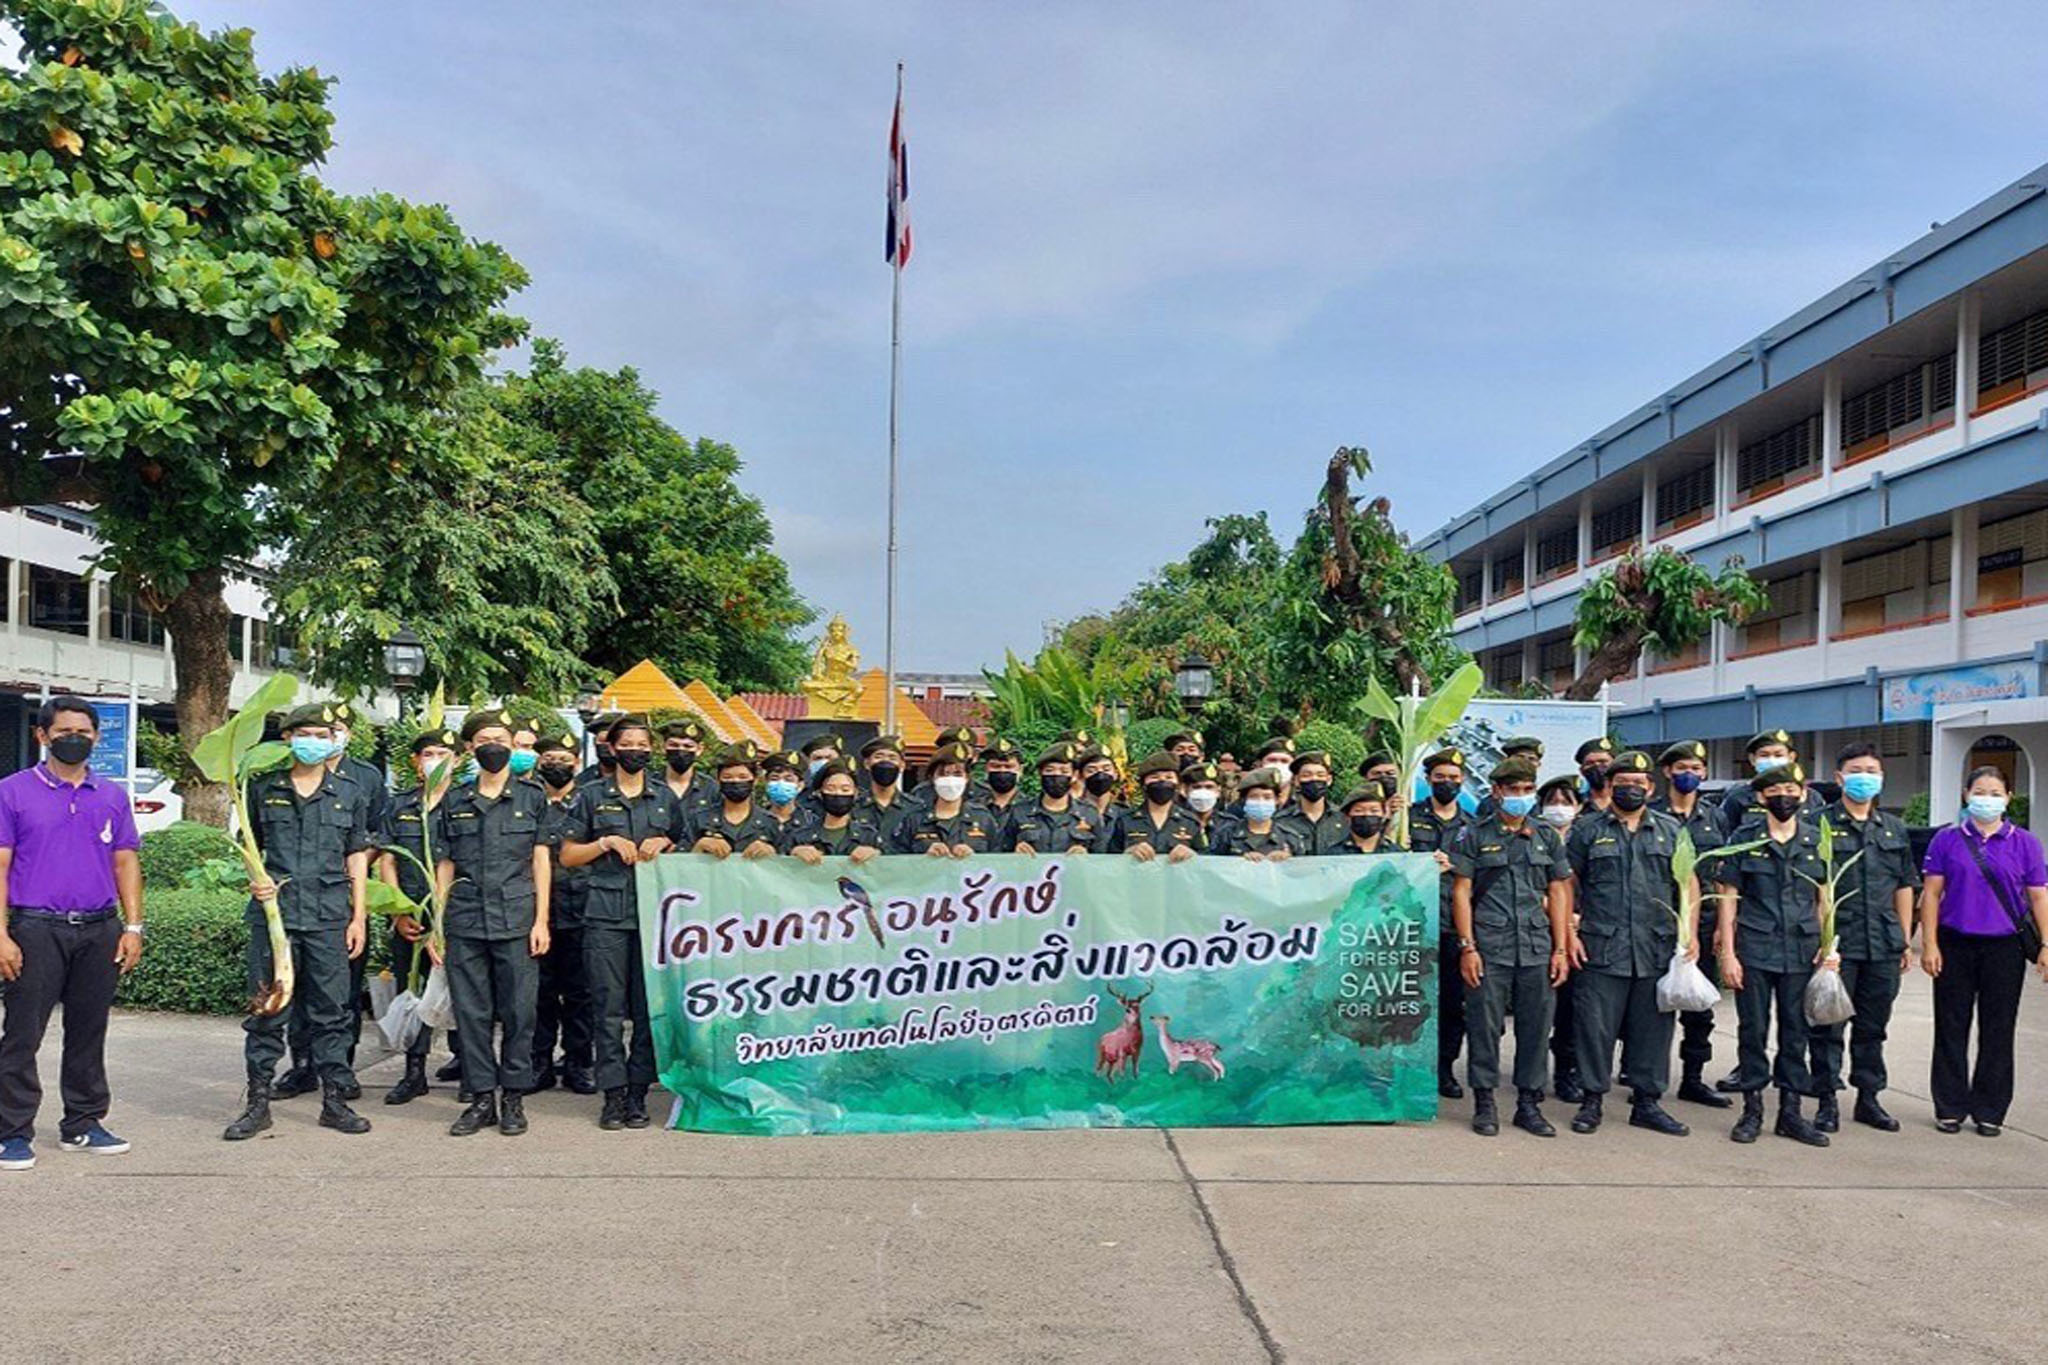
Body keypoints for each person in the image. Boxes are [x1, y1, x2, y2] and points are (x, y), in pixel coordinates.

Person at [0, 698, 145, 1172]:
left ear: (96, 737)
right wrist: (2, 936)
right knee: (23, 1034)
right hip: (35, 927)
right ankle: (12, 1131)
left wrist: (133, 926)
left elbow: (125, 861)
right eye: (63, 730)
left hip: (99, 928)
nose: (74, 737)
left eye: (83, 730)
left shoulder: (111, 795)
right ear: (42, 736)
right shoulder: (12, 792)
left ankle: (83, 1122)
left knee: (89, 1031)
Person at [224, 703, 375, 1142]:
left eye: (322, 734)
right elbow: (248, 845)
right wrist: (256, 881)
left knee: (332, 1012)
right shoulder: (262, 786)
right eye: (304, 732)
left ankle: (335, 1102)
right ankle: (257, 1104)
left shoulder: (348, 792)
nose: (313, 741)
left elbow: (356, 858)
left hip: (329, 916)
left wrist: (358, 916)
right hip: (275, 917)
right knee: (267, 1009)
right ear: (287, 738)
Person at [435, 710, 552, 1138]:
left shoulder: (531, 796)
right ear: (470, 747)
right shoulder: (455, 799)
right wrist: (437, 925)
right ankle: (481, 1098)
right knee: (472, 1014)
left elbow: (540, 861)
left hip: (518, 919)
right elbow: (444, 865)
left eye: (502, 739)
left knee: (520, 1013)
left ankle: (514, 1098)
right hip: (465, 919)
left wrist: (542, 920)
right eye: (484, 738)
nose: (494, 746)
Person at [559, 715, 678, 1131]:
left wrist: (665, 842)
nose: (634, 750)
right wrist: (604, 842)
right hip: (605, 916)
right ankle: (611, 1094)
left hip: (655, 917)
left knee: (648, 1011)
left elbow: (687, 852)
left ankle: (637, 1093)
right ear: (611, 748)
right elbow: (568, 855)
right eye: (626, 743)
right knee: (607, 1009)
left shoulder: (664, 798)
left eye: (642, 743)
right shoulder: (590, 796)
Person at [1564, 751, 1691, 1137]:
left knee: (1653, 1029)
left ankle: (1647, 1103)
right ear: (1610, 785)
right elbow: (1568, 881)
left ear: (1651, 787)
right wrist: (1568, 932)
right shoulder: (1587, 829)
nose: (1631, 789)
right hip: (1602, 945)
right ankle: (1592, 1101)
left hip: (1655, 946)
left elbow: (1687, 883)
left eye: (1638, 783)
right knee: (1594, 1027)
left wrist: (1687, 936)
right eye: (1623, 783)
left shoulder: (1671, 830)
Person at [1919, 767, 2048, 1136]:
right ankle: (1950, 1106)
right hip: (1955, 943)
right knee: (1951, 1026)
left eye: (1995, 792)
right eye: (1979, 790)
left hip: (2004, 947)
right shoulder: (1946, 840)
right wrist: (1929, 944)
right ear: (1966, 794)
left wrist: (2046, 945)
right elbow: (1930, 894)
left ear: (2008, 797)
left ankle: (1990, 1109)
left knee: (1998, 1029)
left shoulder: (2025, 843)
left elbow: (2039, 896)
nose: (1986, 798)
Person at [1448, 757, 1571, 1138]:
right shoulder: (1473, 835)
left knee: (1536, 1027)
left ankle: (1528, 1105)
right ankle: (1485, 1102)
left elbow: (1558, 891)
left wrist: (1561, 948)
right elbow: (1461, 892)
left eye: (1527, 790)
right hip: (1490, 945)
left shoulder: (1546, 835)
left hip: (1536, 945)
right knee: (1483, 1025)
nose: (1520, 797)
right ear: (1497, 791)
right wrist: (1468, 947)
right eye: (1513, 790)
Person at [1805, 742, 1920, 1133]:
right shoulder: (1818, 824)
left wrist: (1904, 938)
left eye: (1872, 770)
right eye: (1857, 770)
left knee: (1873, 1027)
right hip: (1838, 944)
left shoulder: (1893, 827)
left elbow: (1905, 885)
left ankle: (1869, 1098)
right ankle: (1826, 1100)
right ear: (1839, 778)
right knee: (1828, 1026)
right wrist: (1822, 942)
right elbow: (1816, 887)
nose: (1864, 777)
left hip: (1882, 942)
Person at [1714, 764, 1830, 1147]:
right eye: (1776, 790)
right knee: (1754, 1030)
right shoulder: (1745, 838)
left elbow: (1824, 899)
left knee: (1796, 1033)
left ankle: (1791, 1113)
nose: (1784, 796)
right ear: (1762, 797)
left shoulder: (1817, 840)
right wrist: (1728, 954)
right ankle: (1752, 1110)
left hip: (1802, 948)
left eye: (1791, 789)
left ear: (1803, 793)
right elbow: (1728, 900)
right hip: (1756, 948)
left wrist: (1830, 948)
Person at [377, 726, 461, 1108]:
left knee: (461, 993)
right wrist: (398, 911)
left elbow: (455, 865)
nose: (435, 761)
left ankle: (470, 1066)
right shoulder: (400, 805)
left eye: (444, 754)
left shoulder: (465, 803)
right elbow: (387, 859)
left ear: (457, 761)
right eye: (428, 754)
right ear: (416, 761)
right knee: (412, 990)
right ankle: (414, 1072)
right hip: (408, 917)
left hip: (456, 918)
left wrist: (440, 925)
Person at [1650, 740, 1732, 1107]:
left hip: (1704, 924)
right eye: (1682, 767)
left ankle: (1694, 1078)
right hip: (1657, 923)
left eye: (1697, 768)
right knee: (1653, 1006)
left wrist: (1720, 929)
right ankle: (1646, 1078)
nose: (1690, 774)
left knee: (1700, 1008)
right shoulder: (1652, 814)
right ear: (1667, 771)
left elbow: (1720, 874)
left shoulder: (1715, 817)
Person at [531, 729, 594, 1094]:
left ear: (577, 763)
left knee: (580, 993)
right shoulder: (530, 800)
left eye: (564, 760)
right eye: (549, 760)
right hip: (538, 910)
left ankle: (578, 1063)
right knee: (538, 993)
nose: (557, 766)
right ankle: (538, 1063)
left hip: (582, 907)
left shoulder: (588, 801)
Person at [1408, 745, 1473, 1099]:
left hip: (1451, 924)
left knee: (1451, 1003)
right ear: (1428, 781)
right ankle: (1409, 1065)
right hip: (1412, 926)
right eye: (1439, 778)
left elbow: (1482, 875)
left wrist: (1457, 867)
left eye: (1453, 778)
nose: (1446, 783)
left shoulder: (1472, 827)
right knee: (1410, 1001)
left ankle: (1445, 1068)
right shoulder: (1409, 818)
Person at [889, 743, 998, 856]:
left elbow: (999, 859)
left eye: (957, 774)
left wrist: (973, 858)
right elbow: (897, 859)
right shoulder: (914, 818)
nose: (950, 780)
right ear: (932, 778)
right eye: (943, 774)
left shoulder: (982, 818)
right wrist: (924, 857)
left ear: (967, 778)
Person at [1006, 743, 1111, 855]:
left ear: (1074, 775)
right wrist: (1015, 852)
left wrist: (1086, 856)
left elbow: (1102, 858)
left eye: (1064, 771)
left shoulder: (1090, 813)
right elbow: (1000, 854)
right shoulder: (1020, 811)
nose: (1056, 776)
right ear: (1040, 774)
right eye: (1050, 770)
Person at [684, 746, 782, 860]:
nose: (735, 781)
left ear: (755, 780)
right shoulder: (700, 818)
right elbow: (675, 863)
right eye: (727, 777)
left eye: (743, 777)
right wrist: (699, 846)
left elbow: (785, 866)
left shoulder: (769, 822)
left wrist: (771, 851)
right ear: (718, 780)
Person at [1717, 729, 1824, 831]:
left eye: (1778, 755)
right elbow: (1726, 834)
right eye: (1764, 755)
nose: (1772, 760)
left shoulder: (1812, 798)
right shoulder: (1737, 797)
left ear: (1791, 757)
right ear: (1753, 759)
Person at [787, 761, 885, 862]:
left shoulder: (869, 836)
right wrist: (794, 852)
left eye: (845, 789)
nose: (838, 793)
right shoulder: (801, 836)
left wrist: (875, 854)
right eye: (830, 788)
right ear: (820, 793)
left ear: (855, 793)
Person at [1122, 753, 1207, 861]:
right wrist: (1128, 852)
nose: (1162, 781)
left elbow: (1205, 860)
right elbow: (1108, 858)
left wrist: (1191, 854)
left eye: (1169, 777)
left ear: (1178, 785)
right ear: (1143, 784)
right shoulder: (1124, 820)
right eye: (1155, 777)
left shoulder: (1190, 821)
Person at [1209, 769, 1304, 859]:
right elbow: (1213, 868)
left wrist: (1288, 860)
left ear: (1276, 800)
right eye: (1254, 797)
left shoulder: (1290, 836)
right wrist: (1240, 861)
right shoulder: (1226, 834)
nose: (1261, 801)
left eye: (1267, 797)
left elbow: (1303, 871)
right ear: (1244, 800)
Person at [1278, 751, 1347, 855]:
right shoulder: (1281, 821)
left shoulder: (1343, 818)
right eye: (1306, 775)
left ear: (1329, 780)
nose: (1314, 779)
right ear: (1296, 780)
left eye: (1320, 775)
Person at [857, 734, 912, 837]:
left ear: (902, 766)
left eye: (892, 758)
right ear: (867, 764)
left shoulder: (915, 807)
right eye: (879, 756)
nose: (885, 762)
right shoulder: (853, 806)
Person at [661, 718, 718, 816]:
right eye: (674, 745)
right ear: (663, 747)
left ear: (699, 749)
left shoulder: (711, 789)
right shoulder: (649, 785)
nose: (680, 751)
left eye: (688, 746)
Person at [1327, 783, 1401, 854]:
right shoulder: (1334, 853)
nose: (1367, 814)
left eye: (1374, 811)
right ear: (1348, 816)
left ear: (1383, 814)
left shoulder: (1395, 852)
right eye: (1359, 811)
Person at [1181, 760, 1236, 849]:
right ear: (1185, 790)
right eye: (1196, 787)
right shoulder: (1175, 821)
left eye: (1209, 787)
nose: (1203, 792)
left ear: (1218, 791)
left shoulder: (1230, 824)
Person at [1076, 747, 1127, 837]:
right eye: (1091, 770)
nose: (1100, 775)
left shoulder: (1125, 814)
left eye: (1106, 769)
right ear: (1081, 776)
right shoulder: (1072, 812)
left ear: (1115, 774)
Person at [981, 738, 1025, 839]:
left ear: (1020, 770)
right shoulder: (971, 808)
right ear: (986, 768)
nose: (1002, 771)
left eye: (1008, 766)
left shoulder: (1031, 809)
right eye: (995, 766)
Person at [760, 750, 807, 838]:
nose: (781, 783)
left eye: (788, 779)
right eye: (774, 778)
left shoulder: (810, 821)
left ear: (800, 785)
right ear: (766, 783)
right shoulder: (756, 819)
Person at [1574, 737, 1615, 817]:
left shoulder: (1627, 801)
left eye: (1603, 762)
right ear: (1581, 770)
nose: (1597, 766)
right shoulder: (1575, 802)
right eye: (1590, 763)